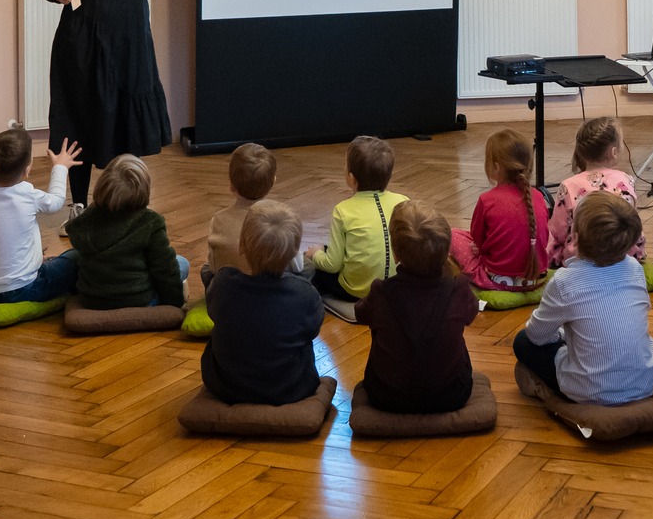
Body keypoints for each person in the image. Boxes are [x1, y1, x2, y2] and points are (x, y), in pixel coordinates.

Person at [41, 0, 189, 212]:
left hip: (130, 42)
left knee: (125, 119)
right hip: (83, 44)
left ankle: (125, 204)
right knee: (81, 118)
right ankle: (78, 206)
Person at [514, 193, 653, 405]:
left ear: (575, 237)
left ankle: (549, 388)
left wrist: (560, 335)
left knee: (522, 341)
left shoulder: (565, 281)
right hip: (645, 382)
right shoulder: (635, 269)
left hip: (590, 391)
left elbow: (537, 336)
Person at [200, 201, 326, 407]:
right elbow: (312, 330)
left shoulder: (222, 284)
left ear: (241, 245)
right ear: (295, 252)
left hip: (225, 386)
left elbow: (214, 313)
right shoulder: (305, 293)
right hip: (291, 388)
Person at [357, 203, 479, 414]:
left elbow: (360, 314)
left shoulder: (381, 292)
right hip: (450, 395)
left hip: (386, 396)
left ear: (396, 254)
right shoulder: (458, 288)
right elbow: (471, 314)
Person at [0, 126, 82, 303]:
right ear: (27, 170)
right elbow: (57, 201)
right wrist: (60, 167)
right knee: (78, 256)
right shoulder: (26, 194)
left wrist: (35, 257)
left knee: (56, 260)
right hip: (26, 289)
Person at [65, 154, 188, 310]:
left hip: (92, 300)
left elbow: (73, 229)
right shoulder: (150, 221)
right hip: (138, 300)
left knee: (73, 258)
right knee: (182, 263)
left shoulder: (87, 219)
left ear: (102, 186)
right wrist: (174, 304)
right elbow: (165, 268)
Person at [309, 136, 409, 319]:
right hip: (398, 287)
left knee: (314, 268)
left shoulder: (343, 210)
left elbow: (332, 265)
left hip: (356, 292)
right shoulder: (403, 201)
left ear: (351, 178)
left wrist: (314, 254)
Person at [450, 129, 550, 295]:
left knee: (453, 235)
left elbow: (478, 242)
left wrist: (480, 247)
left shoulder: (487, 200)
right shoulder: (539, 196)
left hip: (497, 280)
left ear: (496, 167)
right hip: (538, 277)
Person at [545, 118, 644, 268]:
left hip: (582, 257)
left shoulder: (568, 185)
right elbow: (633, 224)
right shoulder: (626, 180)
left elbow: (558, 231)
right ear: (614, 152)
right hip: (622, 254)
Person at [204, 143, 305, 287]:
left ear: (231, 185)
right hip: (272, 286)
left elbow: (214, 268)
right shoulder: (282, 219)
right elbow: (297, 266)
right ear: (273, 182)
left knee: (205, 270)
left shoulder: (218, 219)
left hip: (231, 286)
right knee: (308, 268)